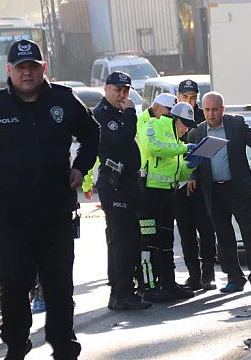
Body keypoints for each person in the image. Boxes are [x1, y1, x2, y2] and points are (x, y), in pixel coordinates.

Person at [0, 39, 98, 359]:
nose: (26, 73)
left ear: (43, 68)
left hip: (55, 213)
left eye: (32, 67)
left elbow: (92, 134)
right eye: (20, 68)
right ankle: (16, 342)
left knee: (59, 286)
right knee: (12, 285)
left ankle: (64, 346)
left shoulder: (64, 101)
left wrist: (81, 167)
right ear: (8, 70)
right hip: (9, 217)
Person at [187, 92, 251, 293]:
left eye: (214, 109)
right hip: (213, 191)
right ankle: (234, 278)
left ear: (222, 109)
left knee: (250, 234)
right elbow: (194, 163)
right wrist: (193, 177)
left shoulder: (236, 125)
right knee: (224, 236)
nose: (211, 114)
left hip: (237, 189)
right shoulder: (197, 133)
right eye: (207, 110)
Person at [90, 71, 151, 311]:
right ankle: (122, 292)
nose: (122, 95)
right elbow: (123, 138)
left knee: (128, 237)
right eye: (117, 90)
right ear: (106, 89)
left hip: (127, 183)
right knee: (122, 240)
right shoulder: (103, 115)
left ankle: (123, 289)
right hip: (115, 184)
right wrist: (130, 112)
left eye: (126, 90)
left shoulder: (117, 113)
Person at [137, 100, 197, 302]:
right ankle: (148, 287)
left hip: (166, 195)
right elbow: (154, 148)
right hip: (148, 195)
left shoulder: (178, 143)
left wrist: (190, 166)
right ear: (175, 119)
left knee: (167, 243)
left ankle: (168, 284)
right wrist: (183, 150)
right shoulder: (154, 125)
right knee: (148, 243)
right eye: (185, 124)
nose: (186, 129)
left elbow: (179, 175)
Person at [174, 79, 217, 290]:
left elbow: (207, 151)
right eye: (185, 97)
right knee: (186, 231)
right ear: (178, 95)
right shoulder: (170, 117)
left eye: (193, 98)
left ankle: (208, 274)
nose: (189, 102)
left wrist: (194, 174)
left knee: (206, 230)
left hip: (200, 184)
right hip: (177, 185)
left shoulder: (203, 117)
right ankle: (193, 275)